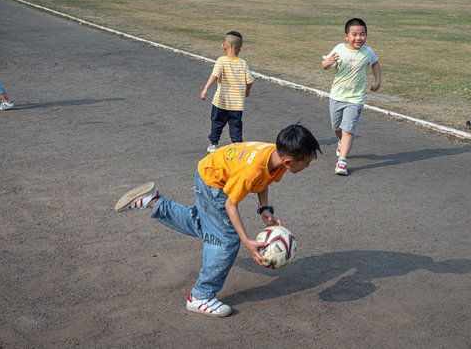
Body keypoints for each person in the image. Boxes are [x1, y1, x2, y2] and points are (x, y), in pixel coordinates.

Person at [114, 124, 321, 317]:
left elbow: (264, 180)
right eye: (306, 163)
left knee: (207, 226)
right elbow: (231, 205)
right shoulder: (252, 170)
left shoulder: (274, 154)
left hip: (213, 171)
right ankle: (201, 295)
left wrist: (264, 209)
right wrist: (247, 242)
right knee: (227, 240)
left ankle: (153, 201)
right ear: (288, 161)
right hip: (214, 183)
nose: (308, 166)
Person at [321, 18, 381, 176]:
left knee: (348, 129)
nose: (358, 38)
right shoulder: (339, 49)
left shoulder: (368, 52)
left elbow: (375, 63)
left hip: (355, 99)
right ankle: (341, 142)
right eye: (354, 34)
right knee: (337, 128)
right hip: (337, 96)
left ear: (366, 35)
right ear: (346, 36)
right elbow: (325, 65)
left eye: (362, 34)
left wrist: (377, 81)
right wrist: (328, 62)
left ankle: (342, 161)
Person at [201, 31, 254, 153]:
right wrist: (247, 89)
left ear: (223, 46)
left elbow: (214, 75)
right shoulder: (243, 63)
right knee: (236, 125)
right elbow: (250, 80)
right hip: (237, 104)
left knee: (217, 122)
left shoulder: (221, 61)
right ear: (241, 48)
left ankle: (213, 144)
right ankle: (237, 145)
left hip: (221, 102)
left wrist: (206, 88)